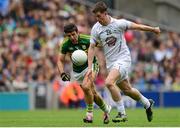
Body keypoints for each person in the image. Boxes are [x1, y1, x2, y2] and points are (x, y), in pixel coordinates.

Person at [87, 1, 161, 123]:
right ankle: (147, 103)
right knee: (127, 90)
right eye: (96, 16)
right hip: (111, 63)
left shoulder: (119, 23)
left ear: (105, 13)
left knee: (109, 83)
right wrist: (89, 67)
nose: (97, 19)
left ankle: (122, 113)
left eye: (99, 16)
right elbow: (92, 47)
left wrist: (153, 29)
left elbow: (138, 26)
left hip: (123, 59)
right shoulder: (96, 28)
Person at [57, 23, 111, 124]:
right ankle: (106, 110)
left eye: (73, 34)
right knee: (93, 94)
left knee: (86, 87)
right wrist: (62, 73)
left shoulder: (87, 39)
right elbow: (60, 60)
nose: (72, 37)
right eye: (69, 36)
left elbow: (103, 44)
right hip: (77, 71)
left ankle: (89, 114)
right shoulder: (65, 44)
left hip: (92, 66)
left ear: (77, 32)